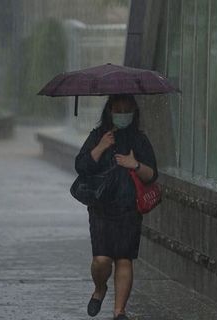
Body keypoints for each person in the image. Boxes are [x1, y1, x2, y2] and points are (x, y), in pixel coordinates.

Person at [74, 94, 158, 320]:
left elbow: (152, 175)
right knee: (101, 260)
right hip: (101, 210)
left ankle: (119, 311)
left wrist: (135, 165)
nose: (123, 114)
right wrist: (101, 147)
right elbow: (81, 166)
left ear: (134, 111)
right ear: (109, 111)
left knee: (124, 258)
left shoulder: (139, 140)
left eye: (127, 109)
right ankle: (100, 289)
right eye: (118, 109)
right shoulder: (97, 136)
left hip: (129, 210)